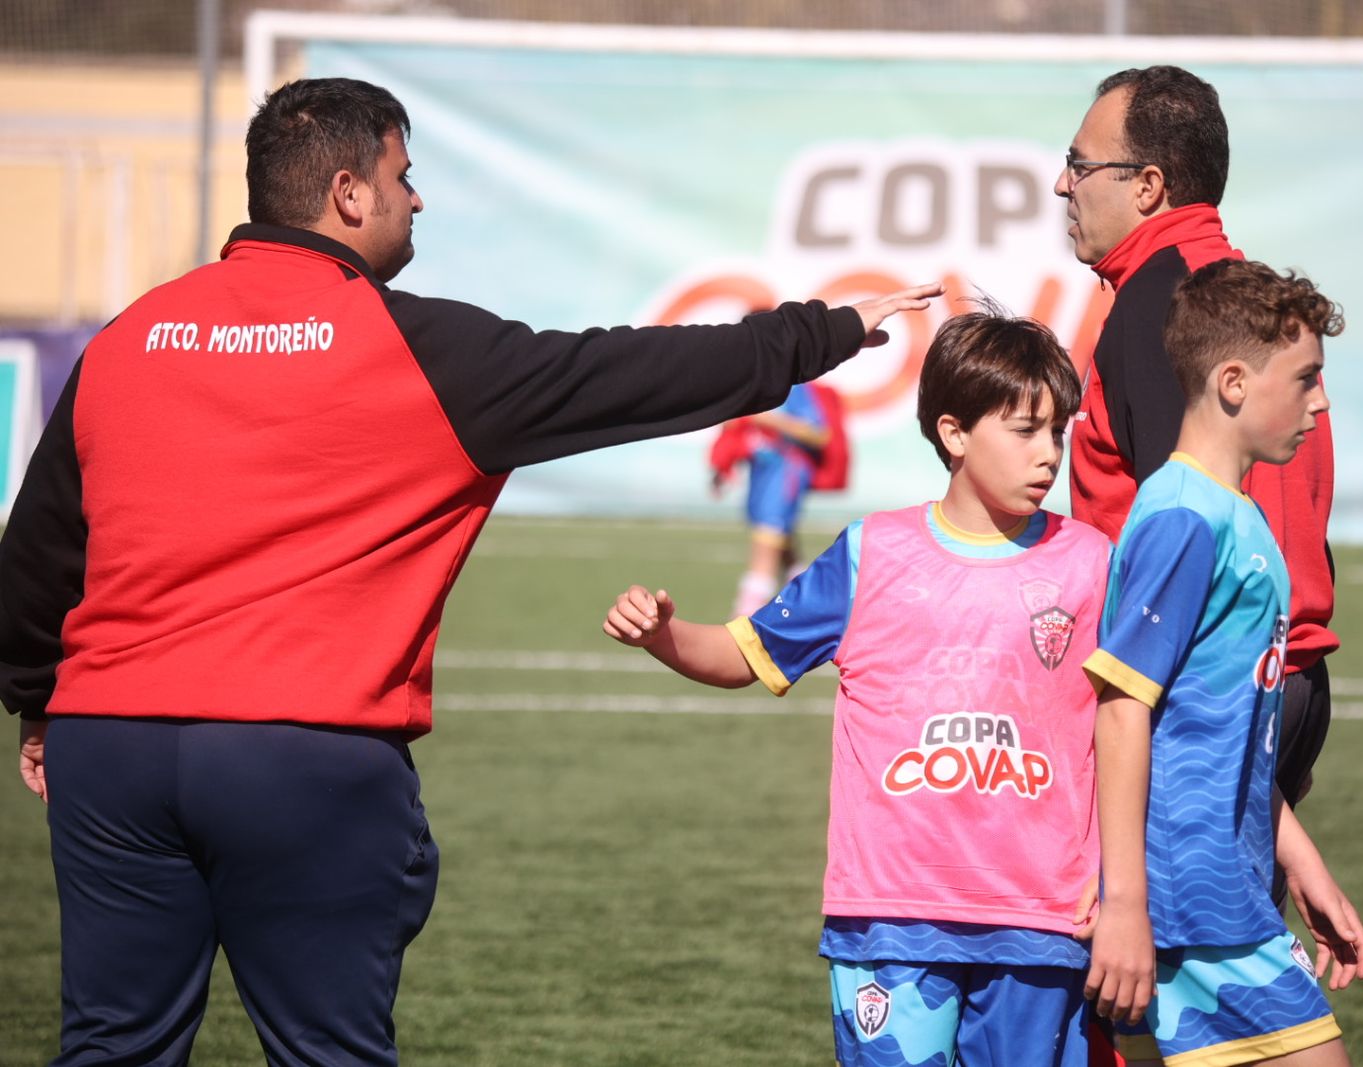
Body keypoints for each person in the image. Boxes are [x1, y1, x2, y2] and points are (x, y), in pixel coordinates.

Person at [0, 76, 938, 1067]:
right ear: (348, 193)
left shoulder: (129, 336)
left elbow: (39, 549)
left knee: (111, 1044)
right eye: (403, 176)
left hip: (109, 749)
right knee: (329, 1052)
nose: (417, 199)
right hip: (301, 753)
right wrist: (824, 332)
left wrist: (36, 700)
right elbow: (636, 372)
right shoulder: (426, 351)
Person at [604, 306, 1118, 1067]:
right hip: (889, 914)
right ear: (953, 432)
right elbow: (744, 654)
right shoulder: (871, 552)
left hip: (1043, 917)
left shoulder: (1092, 561)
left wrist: (1122, 885)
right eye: (1024, 430)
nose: (1048, 454)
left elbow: (1134, 723)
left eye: (1057, 432)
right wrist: (663, 635)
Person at [1081, 259, 1363, 1066]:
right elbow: (1122, 708)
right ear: (1234, 382)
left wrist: (1302, 864)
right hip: (1190, 910)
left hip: (1221, 895)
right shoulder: (1184, 520)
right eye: (1306, 378)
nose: (1320, 402)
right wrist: (1126, 904)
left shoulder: (1235, 515)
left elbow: (1222, 731)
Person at [1054, 66, 1337, 838]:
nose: (1062, 184)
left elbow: (1182, 533)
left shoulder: (1166, 308)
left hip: (1210, 689)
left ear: (1148, 185)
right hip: (1276, 677)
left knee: (1147, 916)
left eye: (1079, 164)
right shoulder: (1242, 298)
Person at [709, 378, 834, 617]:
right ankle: (812, 601)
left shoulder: (793, 387)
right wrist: (722, 467)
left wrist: (768, 419)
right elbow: (737, 433)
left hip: (785, 472)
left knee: (767, 540)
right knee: (780, 540)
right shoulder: (751, 384)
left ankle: (746, 615)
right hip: (761, 473)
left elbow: (820, 435)